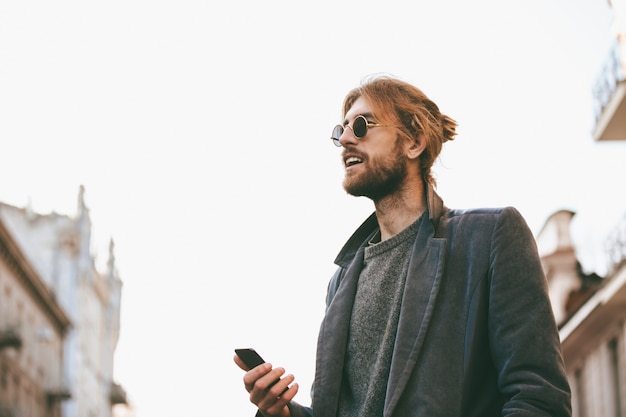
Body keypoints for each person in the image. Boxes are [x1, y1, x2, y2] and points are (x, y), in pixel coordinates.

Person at [234, 75, 572, 417]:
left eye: (362, 125)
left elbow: (539, 399)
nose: (346, 139)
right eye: (341, 130)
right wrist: (283, 412)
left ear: (414, 142)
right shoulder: (341, 282)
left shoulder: (489, 238)